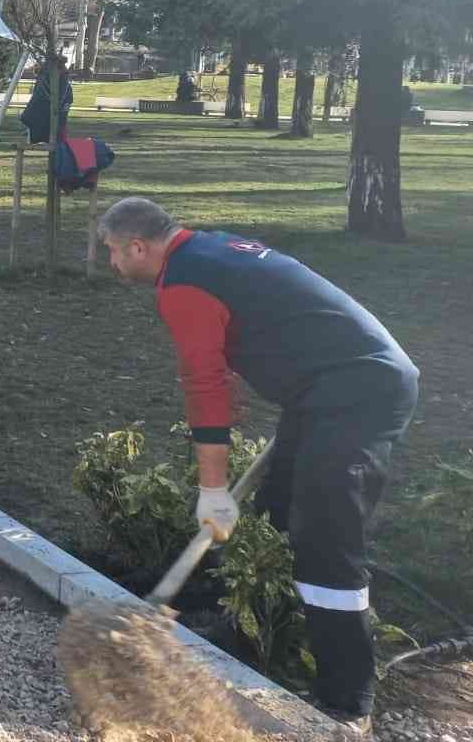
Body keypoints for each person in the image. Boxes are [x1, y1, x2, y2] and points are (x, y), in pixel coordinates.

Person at [98, 197, 418, 732]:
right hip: (324, 389)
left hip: (360, 393)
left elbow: (204, 392)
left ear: (138, 246)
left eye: (111, 252)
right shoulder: (206, 250)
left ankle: (348, 698)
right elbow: (230, 356)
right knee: (272, 514)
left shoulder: (183, 284)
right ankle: (256, 631)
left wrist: (213, 487)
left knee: (324, 537)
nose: (110, 263)